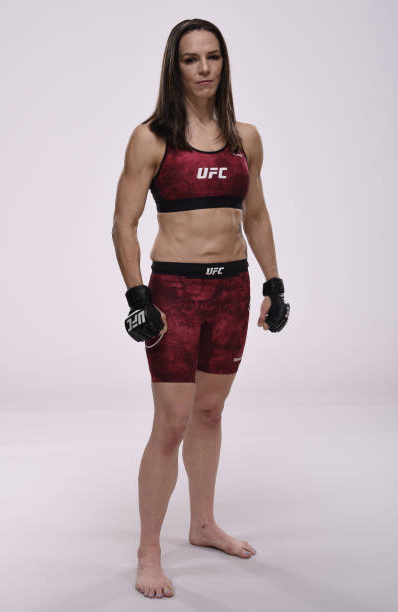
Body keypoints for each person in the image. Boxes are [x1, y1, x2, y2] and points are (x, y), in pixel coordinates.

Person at [112, 18, 290, 600]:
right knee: (172, 421)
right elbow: (123, 223)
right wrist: (137, 295)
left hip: (231, 290)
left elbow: (256, 215)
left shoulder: (245, 138)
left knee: (209, 412)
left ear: (224, 62)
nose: (205, 68)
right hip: (176, 295)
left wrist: (274, 283)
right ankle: (149, 551)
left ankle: (203, 524)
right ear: (175, 67)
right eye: (192, 59)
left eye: (213, 56)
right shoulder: (151, 138)